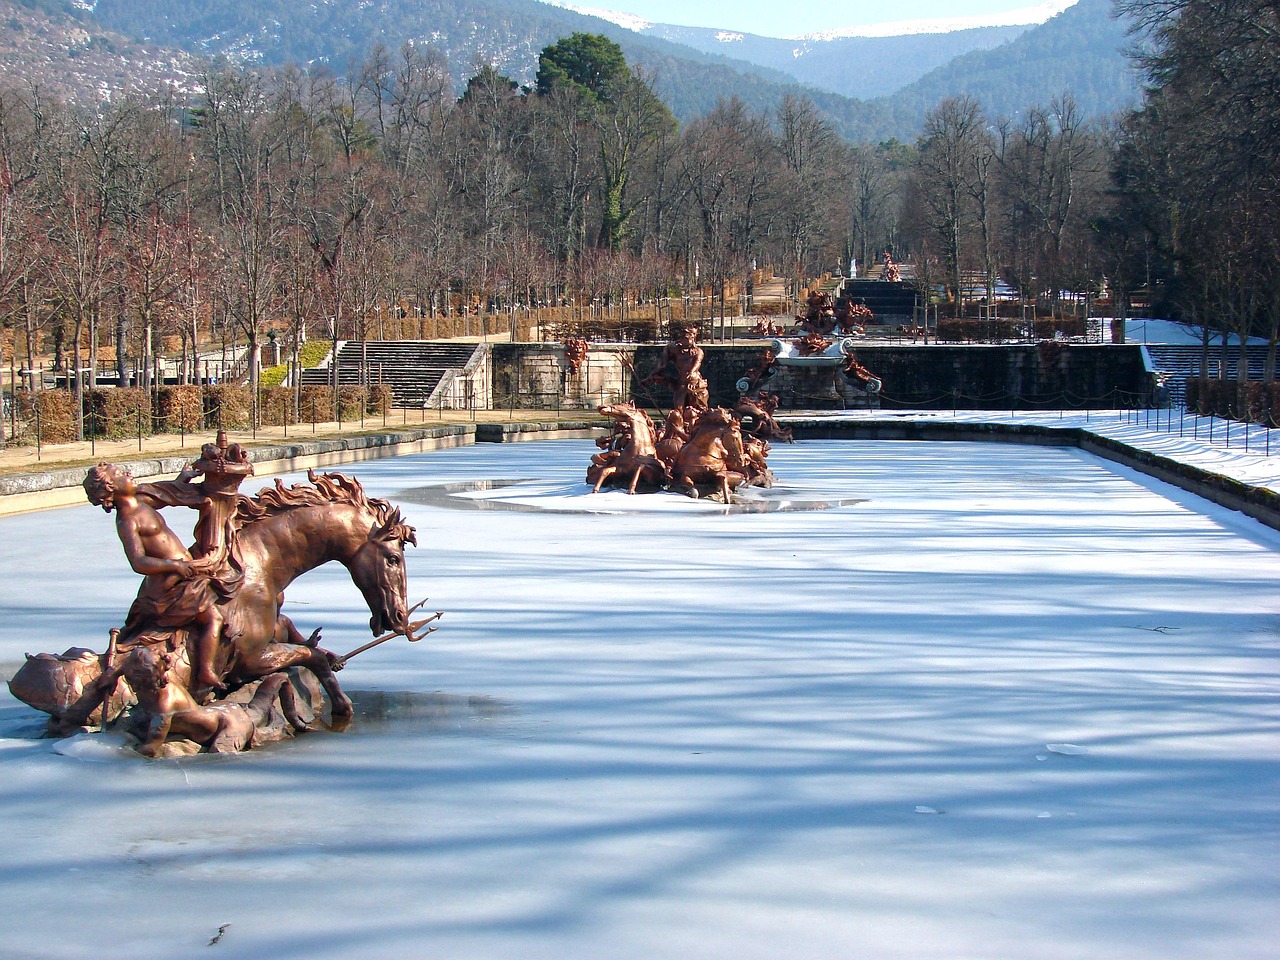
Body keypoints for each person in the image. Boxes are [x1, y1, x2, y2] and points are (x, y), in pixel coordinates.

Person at [83, 463, 227, 692]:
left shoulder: (141, 500)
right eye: (120, 474)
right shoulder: (127, 520)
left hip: (184, 571)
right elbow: (138, 562)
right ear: (111, 489)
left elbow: (164, 496)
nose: (129, 473)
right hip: (169, 587)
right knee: (214, 618)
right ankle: (206, 671)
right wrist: (174, 566)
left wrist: (183, 479)